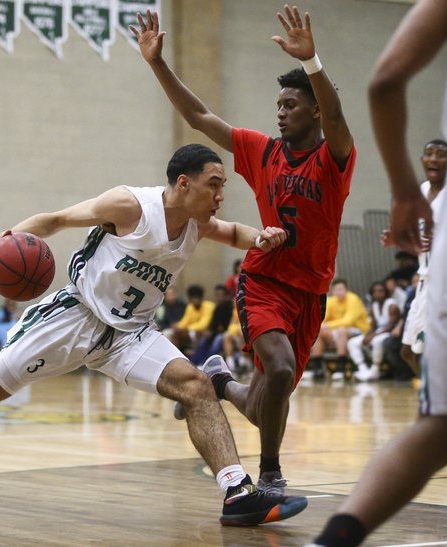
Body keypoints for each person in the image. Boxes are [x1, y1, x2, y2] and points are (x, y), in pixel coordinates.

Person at [0, 144, 309, 527]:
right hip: (73, 318)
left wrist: (261, 237)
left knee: (196, 386)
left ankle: (236, 493)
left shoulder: (198, 224)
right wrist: (3, 239)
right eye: (215, 184)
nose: (220, 194)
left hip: (129, 335)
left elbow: (231, 232)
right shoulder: (129, 205)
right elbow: (56, 220)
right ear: (183, 184)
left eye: (222, 186)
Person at [131, 5, 356, 494]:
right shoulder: (262, 151)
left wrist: (312, 61)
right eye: (277, 105)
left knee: (262, 402)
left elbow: (337, 116)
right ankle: (271, 474)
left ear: (314, 110)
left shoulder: (333, 157)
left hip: (310, 292)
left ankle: (218, 383)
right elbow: (197, 115)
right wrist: (157, 63)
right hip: (264, 280)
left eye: (291, 105)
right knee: (277, 369)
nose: (280, 111)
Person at [308, 0, 447, 544]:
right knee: (408, 353)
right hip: (432, 271)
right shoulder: (429, 190)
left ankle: (335, 539)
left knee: (443, 427)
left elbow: (384, 82)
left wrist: (399, 193)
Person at [383, 139, 447, 377]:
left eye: (441, 155)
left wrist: (442, 243)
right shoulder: (421, 192)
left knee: (436, 353)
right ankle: (433, 400)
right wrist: (399, 239)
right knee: (408, 352)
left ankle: (439, 405)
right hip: (424, 282)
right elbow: (416, 238)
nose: (434, 158)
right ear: (422, 160)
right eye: (429, 154)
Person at [310, 279, 370, 380]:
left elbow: (348, 321)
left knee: (341, 330)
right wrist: (324, 325)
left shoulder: (353, 299)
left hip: (358, 330)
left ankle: (342, 366)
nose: (338, 292)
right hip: (337, 330)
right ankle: (318, 366)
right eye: (335, 290)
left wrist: (328, 325)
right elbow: (324, 319)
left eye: (340, 289)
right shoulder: (331, 300)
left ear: (346, 290)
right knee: (318, 331)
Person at [348, 281, 400, 382]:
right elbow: (373, 326)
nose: (378, 294)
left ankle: (375, 369)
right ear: (372, 293)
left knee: (376, 341)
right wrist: (368, 335)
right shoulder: (374, 306)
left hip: (391, 333)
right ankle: (363, 369)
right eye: (375, 292)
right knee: (352, 343)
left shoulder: (392, 305)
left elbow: (390, 326)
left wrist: (373, 336)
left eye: (381, 291)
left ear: (386, 292)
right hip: (379, 332)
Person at [190, 284, 234, 366]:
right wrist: (209, 332)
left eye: (220, 295)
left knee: (217, 339)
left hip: (228, 334)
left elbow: (228, 327)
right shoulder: (217, 308)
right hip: (218, 332)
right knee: (204, 339)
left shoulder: (230, 307)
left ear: (226, 296)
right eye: (217, 296)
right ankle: (194, 361)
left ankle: (206, 363)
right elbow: (214, 324)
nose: (218, 298)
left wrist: (213, 333)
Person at [169, 284, 215, 354]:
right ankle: (175, 355)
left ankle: (197, 356)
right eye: (192, 299)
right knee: (175, 334)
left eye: (196, 298)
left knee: (198, 333)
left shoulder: (209, 306)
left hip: (205, 332)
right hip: (191, 331)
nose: (194, 301)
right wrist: (177, 327)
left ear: (201, 298)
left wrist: (186, 328)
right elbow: (184, 321)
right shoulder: (190, 307)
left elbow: (204, 324)